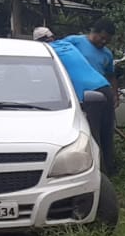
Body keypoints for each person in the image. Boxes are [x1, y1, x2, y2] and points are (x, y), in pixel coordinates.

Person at [47, 36, 117, 175]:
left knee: (91, 133)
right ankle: (111, 169)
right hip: (104, 86)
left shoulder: (48, 52)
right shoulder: (69, 45)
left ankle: (98, 173)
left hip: (88, 92)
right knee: (106, 132)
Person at [62, 19, 118, 103]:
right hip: (73, 93)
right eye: (102, 38)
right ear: (93, 32)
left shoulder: (107, 54)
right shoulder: (73, 42)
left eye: (108, 40)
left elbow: (111, 76)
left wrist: (114, 94)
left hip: (97, 95)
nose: (104, 42)